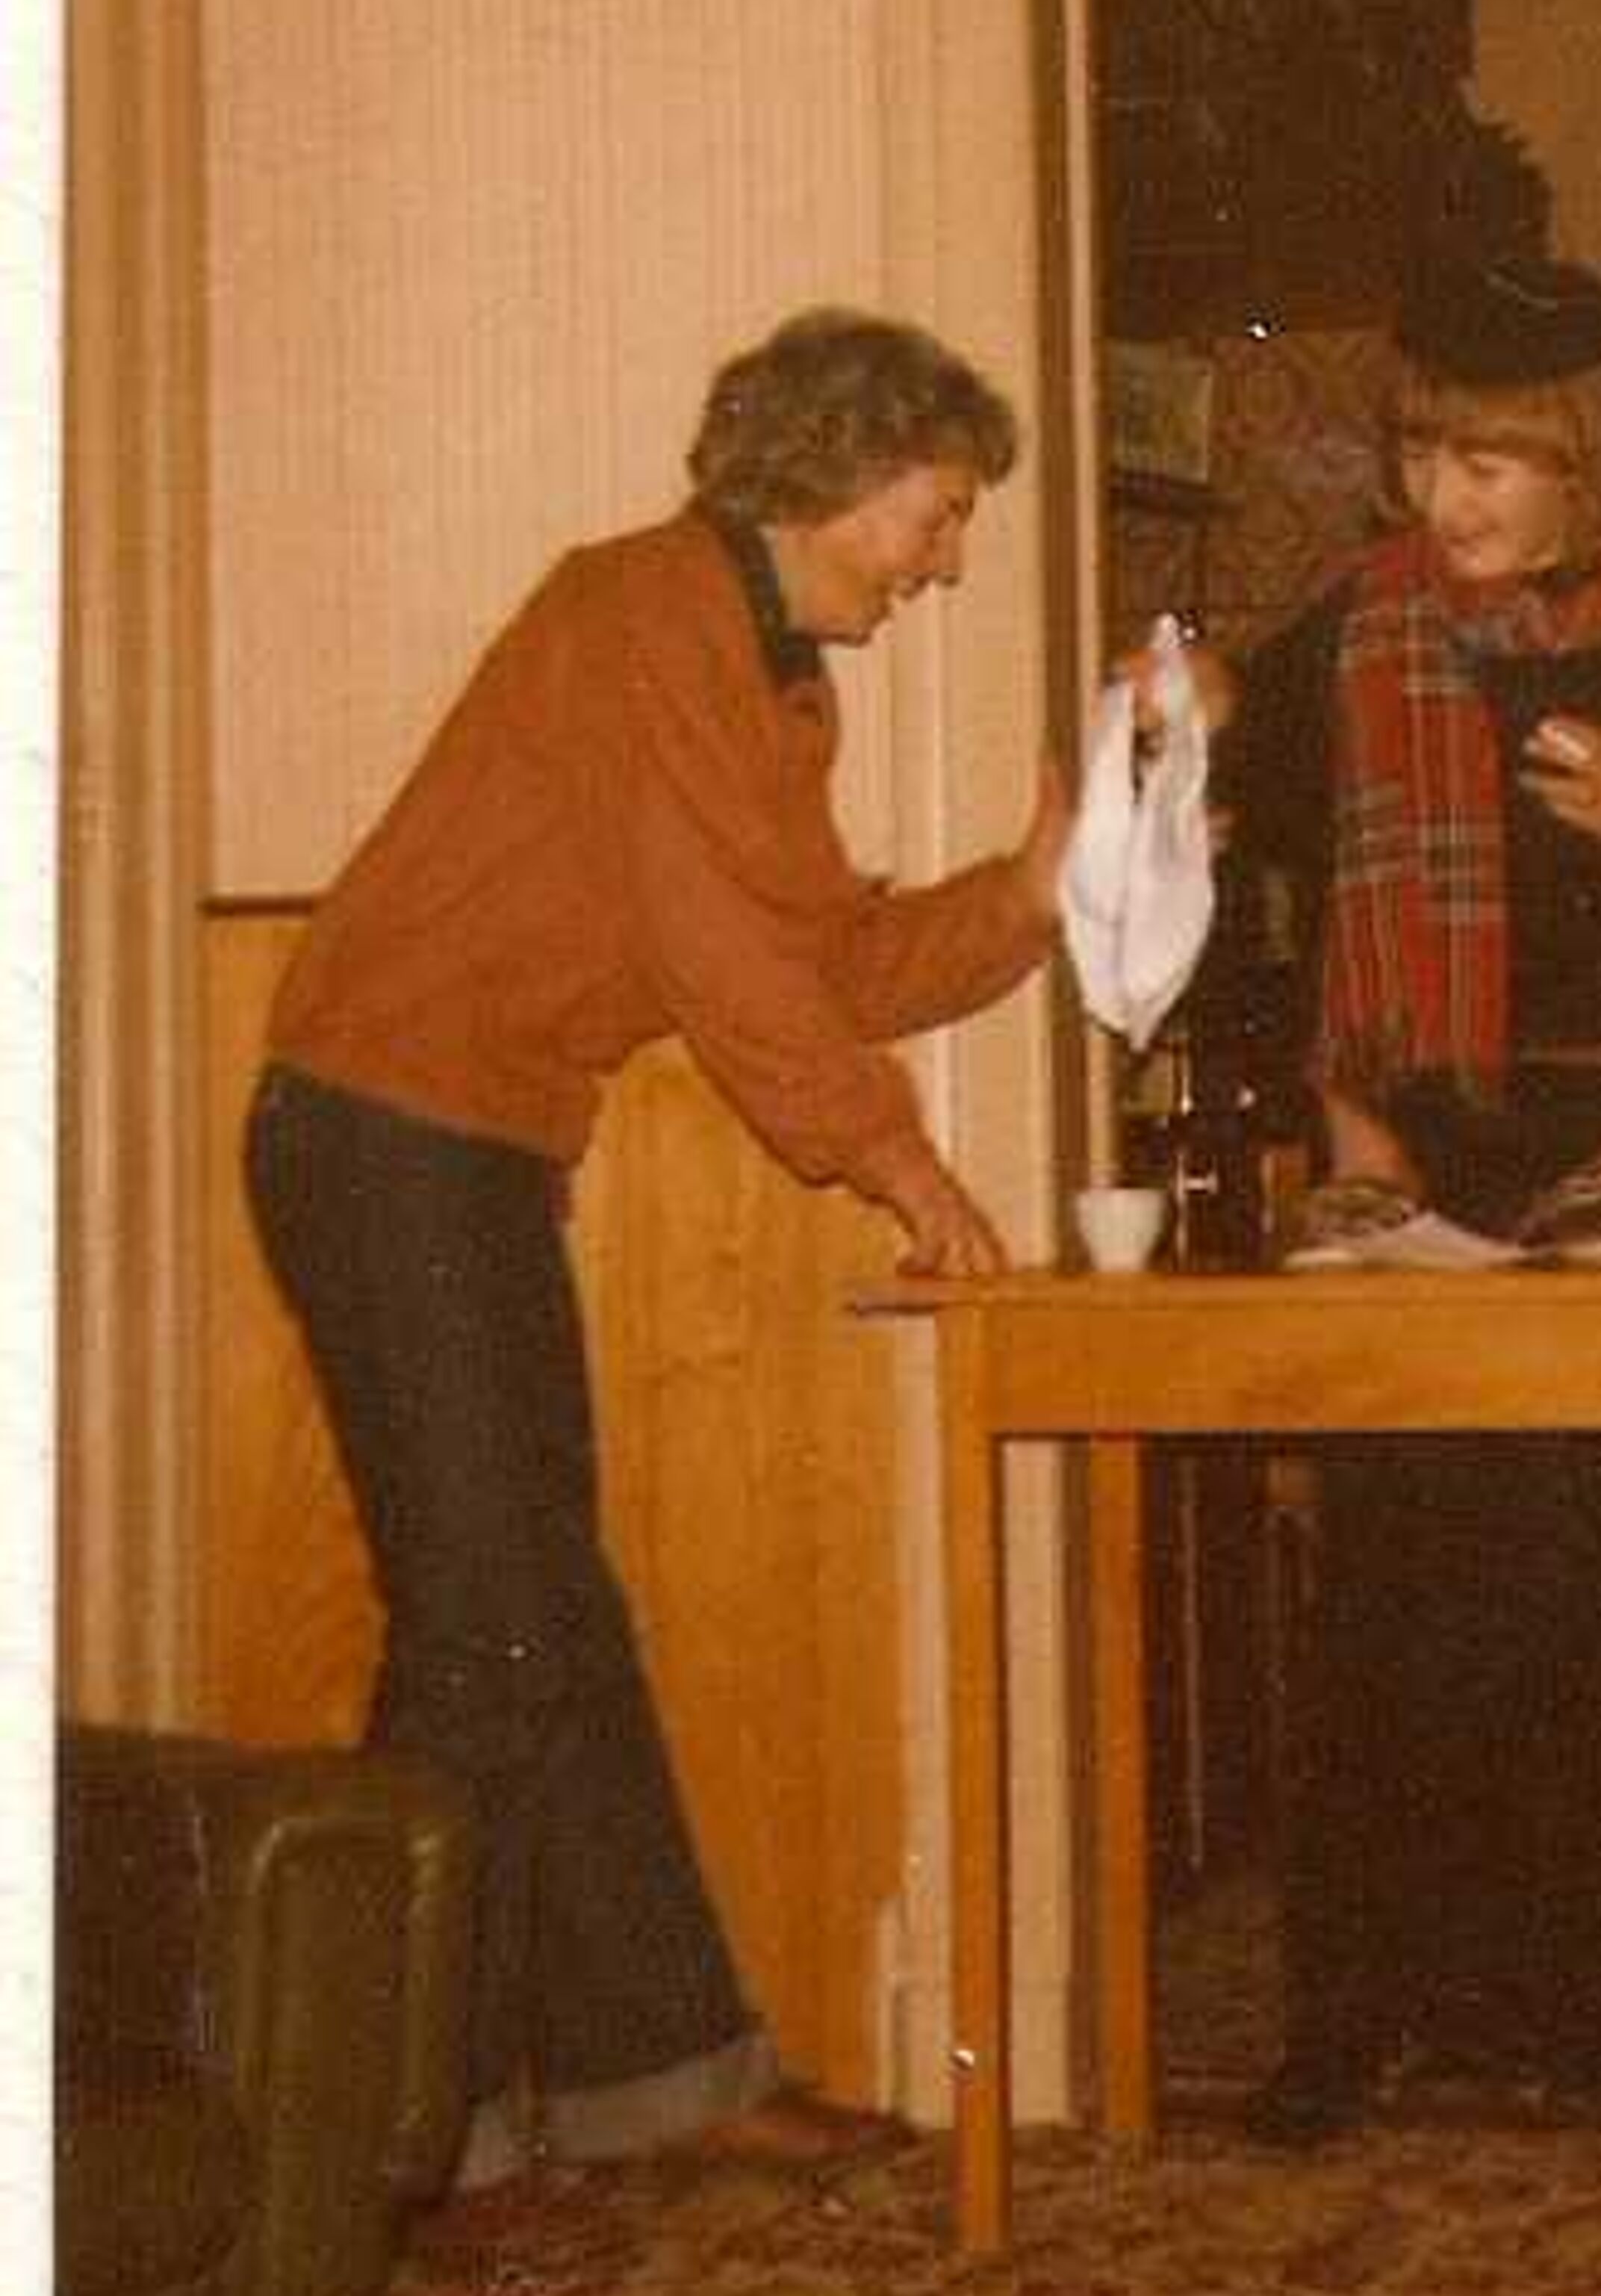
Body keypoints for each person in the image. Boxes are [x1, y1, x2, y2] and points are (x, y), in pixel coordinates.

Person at [243, 306, 1068, 2198]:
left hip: (463, 1151)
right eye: (940, 514)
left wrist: (1028, 897)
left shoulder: (771, 685)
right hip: (380, 1134)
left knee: (532, 1618)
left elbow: (824, 958)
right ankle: (374, 2143)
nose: (947, 562)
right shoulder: (639, 615)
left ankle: (659, 2077)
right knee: (491, 1631)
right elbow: (723, 955)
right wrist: (897, 1164)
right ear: (845, 472)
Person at [1164, 247, 1601, 2140]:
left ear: (1580, 461)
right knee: (1397, 1598)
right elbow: (1259, 851)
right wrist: (1205, 718)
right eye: (1421, 456)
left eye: (1487, 462)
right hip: (1416, 1153)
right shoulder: (1356, 628)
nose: (1444, 497)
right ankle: (1362, 2023)